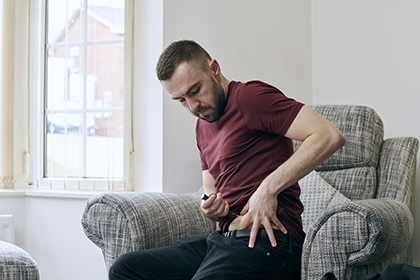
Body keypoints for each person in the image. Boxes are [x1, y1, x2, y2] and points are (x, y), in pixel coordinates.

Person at [109, 40, 346, 280]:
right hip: (223, 241)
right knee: (126, 269)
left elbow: (328, 135)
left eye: (195, 91)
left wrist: (268, 189)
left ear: (214, 68)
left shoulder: (251, 98)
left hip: (267, 242)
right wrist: (209, 206)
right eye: (181, 100)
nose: (193, 106)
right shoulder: (202, 125)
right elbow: (210, 188)